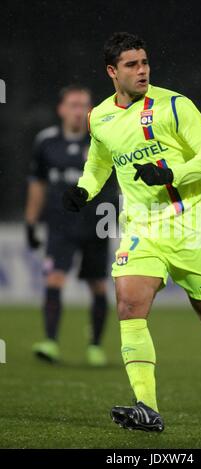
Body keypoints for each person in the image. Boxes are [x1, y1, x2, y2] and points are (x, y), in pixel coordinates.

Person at [63, 33, 201, 432]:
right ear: (112, 72)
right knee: (128, 304)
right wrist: (84, 190)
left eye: (144, 62)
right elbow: (99, 162)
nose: (142, 70)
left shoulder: (174, 105)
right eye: (131, 64)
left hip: (189, 222)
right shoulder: (99, 118)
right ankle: (147, 407)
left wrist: (171, 173)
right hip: (141, 226)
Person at [25, 84, 118, 366]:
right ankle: (51, 342)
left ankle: (95, 347)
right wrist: (31, 222)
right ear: (61, 110)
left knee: (98, 285)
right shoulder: (46, 142)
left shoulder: (103, 139)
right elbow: (37, 183)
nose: (79, 111)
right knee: (54, 279)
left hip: (96, 225)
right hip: (60, 226)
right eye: (74, 105)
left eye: (84, 105)